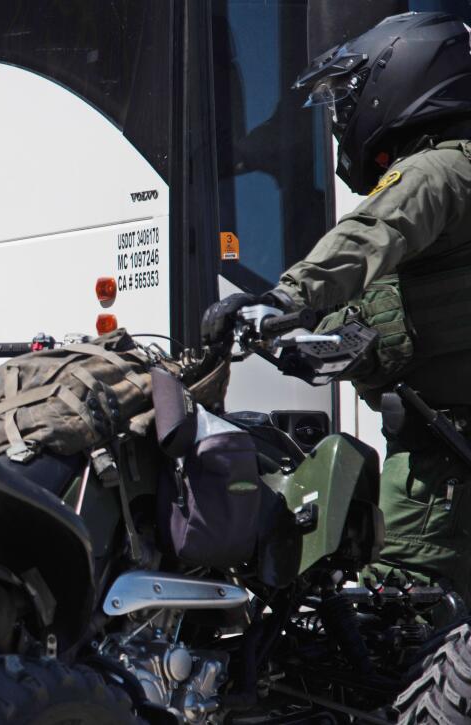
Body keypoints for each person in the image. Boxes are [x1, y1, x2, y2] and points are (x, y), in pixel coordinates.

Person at [202, 12, 471, 600]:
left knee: (402, 611)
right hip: (447, 451)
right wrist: (325, 342)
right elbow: (418, 313)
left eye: (346, 99)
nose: (342, 119)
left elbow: (372, 233)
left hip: (438, 471)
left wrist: (282, 300)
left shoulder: (436, 170)